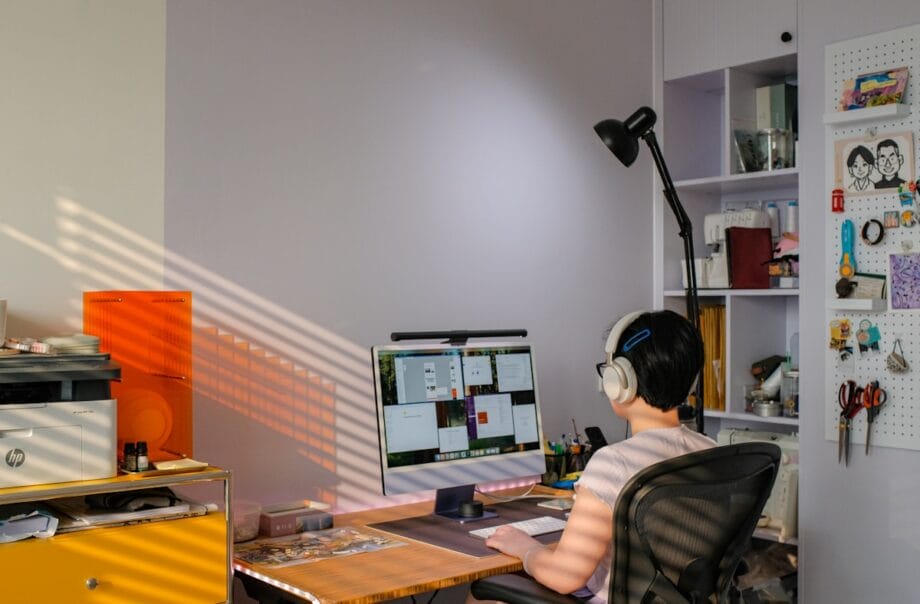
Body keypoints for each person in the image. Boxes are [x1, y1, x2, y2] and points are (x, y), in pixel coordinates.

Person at [468, 310, 716, 604]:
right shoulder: (710, 451)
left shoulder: (614, 463)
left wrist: (526, 548)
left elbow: (565, 577)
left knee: (483, 594)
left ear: (619, 380)